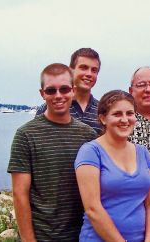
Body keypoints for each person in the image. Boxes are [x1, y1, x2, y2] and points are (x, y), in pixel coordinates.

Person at [8, 63, 97, 241]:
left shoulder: (88, 135)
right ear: (42, 93)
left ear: (72, 90)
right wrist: (28, 239)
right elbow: (20, 194)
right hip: (42, 236)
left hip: (81, 234)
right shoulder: (25, 135)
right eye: (51, 90)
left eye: (64, 89)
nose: (58, 96)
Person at [74, 90, 150, 242]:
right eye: (117, 114)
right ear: (103, 118)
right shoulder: (90, 151)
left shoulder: (142, 152)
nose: (125, 119)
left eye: (130, 113)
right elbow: (93, 209)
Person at [37, 48, 102, 134]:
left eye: (94, 70)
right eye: (84, 68)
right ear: (70, 70)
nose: (89, 74)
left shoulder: (102, 110)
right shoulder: (48, 108)